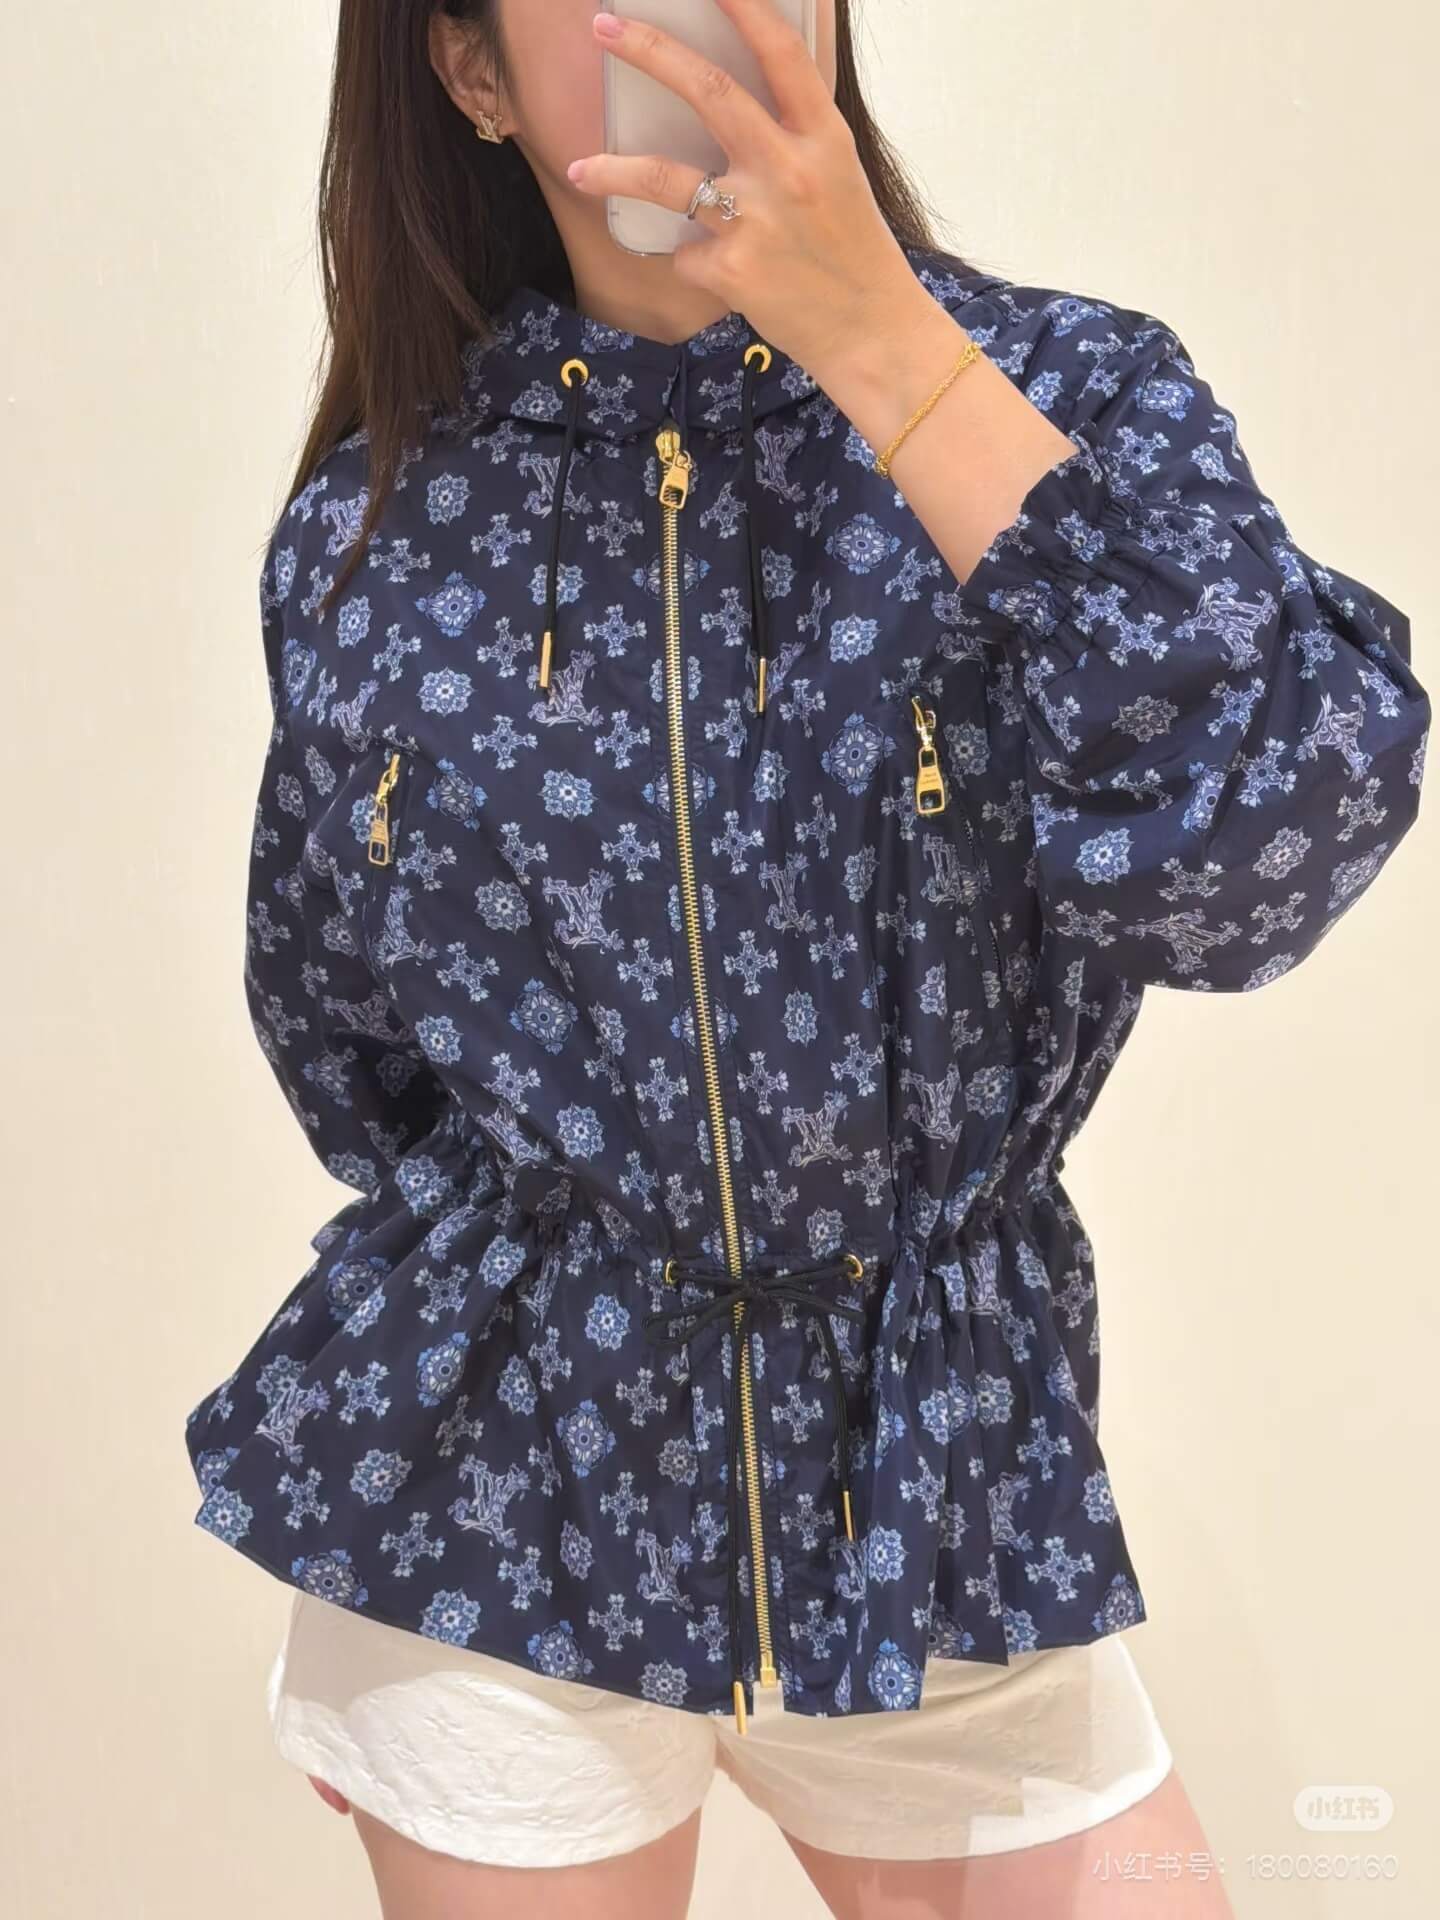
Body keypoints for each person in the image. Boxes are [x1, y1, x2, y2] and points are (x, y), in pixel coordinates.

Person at [183, 2, 1430, 1914]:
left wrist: (882, 345)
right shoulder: (380, 520)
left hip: (935, 1489)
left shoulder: (1066, 400)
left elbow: (1258, 860)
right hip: (509, 1515)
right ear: (473, 71)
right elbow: (344, 1033)